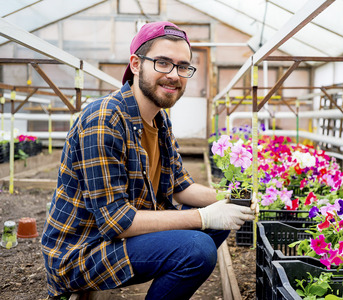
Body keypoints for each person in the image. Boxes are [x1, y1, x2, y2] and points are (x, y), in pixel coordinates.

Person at [41, 21, 256, 300]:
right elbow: (116, 223)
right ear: (135, 64)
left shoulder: (159, 118)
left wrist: (237, 196)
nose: (174, 75)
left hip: (117, 238)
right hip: (84, 250)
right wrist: (204, 216)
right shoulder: (103, 119)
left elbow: (180, 186)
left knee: (217, 223)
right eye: (163, 63)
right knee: (197, 248)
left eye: (183, 67)